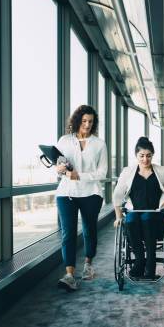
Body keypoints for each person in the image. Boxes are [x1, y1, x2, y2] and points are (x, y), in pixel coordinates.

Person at [56, 105, 108, 291]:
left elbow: (102, 172)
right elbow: (57, 165)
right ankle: (69, 274)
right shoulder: (64, 141)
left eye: (91, 121)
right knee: (68, 232)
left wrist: (81, 176)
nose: (87, 124)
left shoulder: (99, 144)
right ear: (77, 121)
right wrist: (59, 169)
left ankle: (88, 265)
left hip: (91, 193)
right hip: (66, 193)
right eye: (84, 120)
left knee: (89, 229)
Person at [112, 137, 164, 279]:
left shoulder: (161, 172)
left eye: (148, 156)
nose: (145, 159)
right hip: (134, 212)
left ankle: (151, 264)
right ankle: (140, 261)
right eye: (141, 156)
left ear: (152, 155)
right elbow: (117, 196)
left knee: (147, 218)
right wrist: (118, 217)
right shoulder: (128, 172)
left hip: (156, 213)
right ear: (136, 155)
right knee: (130, 220)